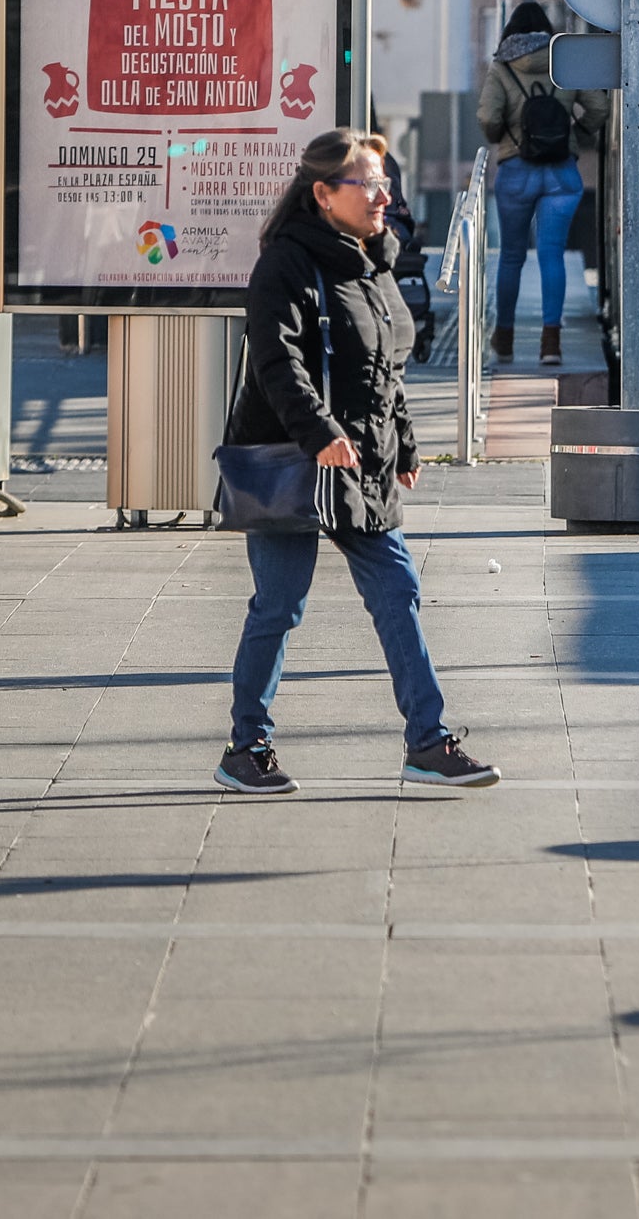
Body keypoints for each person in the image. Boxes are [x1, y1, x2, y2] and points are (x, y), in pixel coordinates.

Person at [217, 127, 498, 798]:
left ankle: (428, 742)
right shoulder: (285, 265)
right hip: (297, 457)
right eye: (367, 183)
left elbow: (387, 366)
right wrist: (318, 431)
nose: (382, 195)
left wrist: (404, 442)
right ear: (323, 193)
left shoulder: (372, 262)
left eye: (384, 181)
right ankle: (246, 747)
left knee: (397, 591)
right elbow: (276, 360)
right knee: (279, 605)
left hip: (363, 462)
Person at [477, 0, 588, 365]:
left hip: (516, 170)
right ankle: (551, 344)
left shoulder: (502, 67)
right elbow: (599, 107)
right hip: (561, 172)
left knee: (511, 257)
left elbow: (488, 116)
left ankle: (505, 340)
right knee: (551, 254)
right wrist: (576, 136)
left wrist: (503, 137)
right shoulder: (565, 62)